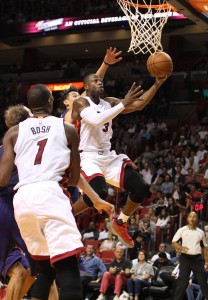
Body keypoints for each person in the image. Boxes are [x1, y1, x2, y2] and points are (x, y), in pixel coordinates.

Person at [0, 84, 84, 300]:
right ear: (50, 102)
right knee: (68, 268)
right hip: (49, 193)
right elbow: (74, 179)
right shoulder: (67, 129)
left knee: (45, 269)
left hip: (22, 201)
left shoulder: (13, 132)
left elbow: (3, 179)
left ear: (30, 106)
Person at [71, 72, 168, 248]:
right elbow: (96, 119)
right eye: (95, 80)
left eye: (100, 80)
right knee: (99, 192)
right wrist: (123, 102)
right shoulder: (81, 103)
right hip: (88, 157)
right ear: (86, 87)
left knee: (141, 187)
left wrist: (157, 84)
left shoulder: (110, 102)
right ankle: (67, 214)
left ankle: (120, 223)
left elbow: (140, 104)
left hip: (109, 156)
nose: (99, 82)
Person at [171, 212, 208, 300]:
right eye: (190, 216)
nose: (192, 218)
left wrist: (206, 261)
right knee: (183, 282)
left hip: (197, 259)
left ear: (197, 219)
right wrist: (180, 247)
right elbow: (173, 243)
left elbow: (204, 247)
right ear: (187, 218)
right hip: (185, 258)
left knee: (202, 281)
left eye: (194, 217)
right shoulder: (182, 230)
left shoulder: (201, 232)